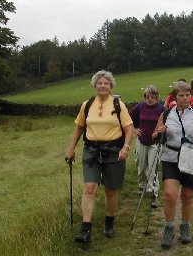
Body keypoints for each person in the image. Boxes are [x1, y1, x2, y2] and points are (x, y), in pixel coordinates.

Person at [65, 70, 134, 244]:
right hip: (91, 151)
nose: (103, 86)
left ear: (111, 86)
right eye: (99, 83)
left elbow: (129, 129)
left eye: (106, 83)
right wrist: (71, 148)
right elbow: (79, 128)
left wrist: (126, 147)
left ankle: (109, 221)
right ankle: (85, 229)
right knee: (89, 188)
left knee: (110, 190)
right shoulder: (87, 105)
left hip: (114, 151)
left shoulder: (119, 105)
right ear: (95, 85)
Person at [152, 81, 193, 249]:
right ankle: (169, 226)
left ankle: (185, 225)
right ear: (174, 97)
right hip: (171, 158)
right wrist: (159, 132)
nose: (185, 98)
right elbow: (154, 135)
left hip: (192, 157)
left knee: (187, 195)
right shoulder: (165, 114)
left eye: (187, 95)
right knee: (170, 195)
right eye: (181, 95)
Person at [129, 85, 165, 208]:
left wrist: (162, 130)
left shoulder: (161, 109)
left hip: (155, 143)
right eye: (147, 96)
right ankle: (142, 184)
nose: (150, 99)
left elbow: (168, 122)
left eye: (152, 96)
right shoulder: (140, 106)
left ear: (156, 97)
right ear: (144, 97)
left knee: (152, 168)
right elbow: (128, 119)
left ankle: (153, 193)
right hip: (141, 140)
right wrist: (134, 129)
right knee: (141, 164)